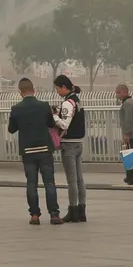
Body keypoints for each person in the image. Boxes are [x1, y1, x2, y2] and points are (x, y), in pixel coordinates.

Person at [7, 78, 62, 225]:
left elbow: (11, 129)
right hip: (44, 149)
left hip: (28, 151)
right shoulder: (44, 106)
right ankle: (54, 214)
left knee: (31, 183)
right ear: (34, 90)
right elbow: (51, 124)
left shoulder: (16, 109)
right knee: (49, 182)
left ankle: (35, 215)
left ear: (20, 92)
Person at [52, 75, 87, 223]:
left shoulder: (67, 103)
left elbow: (65, 124)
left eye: (57, 88)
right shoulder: (77, 101)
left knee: (71, 180)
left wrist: (54, 116)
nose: (57, 91)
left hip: (69, 144)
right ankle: (82, 210)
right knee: (79, 179)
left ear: (64, 87)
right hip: (79, 143)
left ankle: (72, 210)